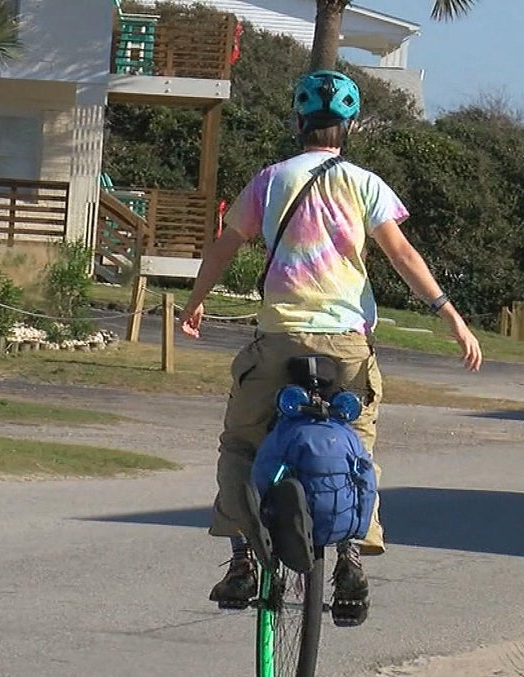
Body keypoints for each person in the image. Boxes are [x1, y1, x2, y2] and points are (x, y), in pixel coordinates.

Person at [180, 69, 483, 626]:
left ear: (299, 123)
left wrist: (195, 302)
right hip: (346, 345)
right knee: (358, 450)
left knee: (241, 445)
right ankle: (350, 558)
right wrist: (452, 316)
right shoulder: (365, 184)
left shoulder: (270, 181)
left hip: (279, 337)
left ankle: (242, 561)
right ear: (348, 127)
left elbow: (225, 244)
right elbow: (403, 257)